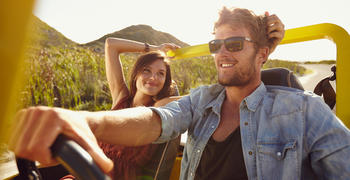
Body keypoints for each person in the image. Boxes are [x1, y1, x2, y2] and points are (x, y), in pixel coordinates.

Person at [10, 6, 349, 180]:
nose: (222, 53)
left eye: (234, 44)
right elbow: (158, 120)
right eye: (216, 44)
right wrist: (87, 120)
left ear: (262, 53)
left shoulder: (305, 112)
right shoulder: (200, 101)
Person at [99, 38, 181, 179]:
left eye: (161, 73)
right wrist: (156, 47)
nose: (153, 77)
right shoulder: (121, 97)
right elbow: (111, 45)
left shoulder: (157, 109)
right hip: (87, 169)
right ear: (136, 74)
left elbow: (198, 98)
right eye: (147, 70)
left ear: (165, 82)